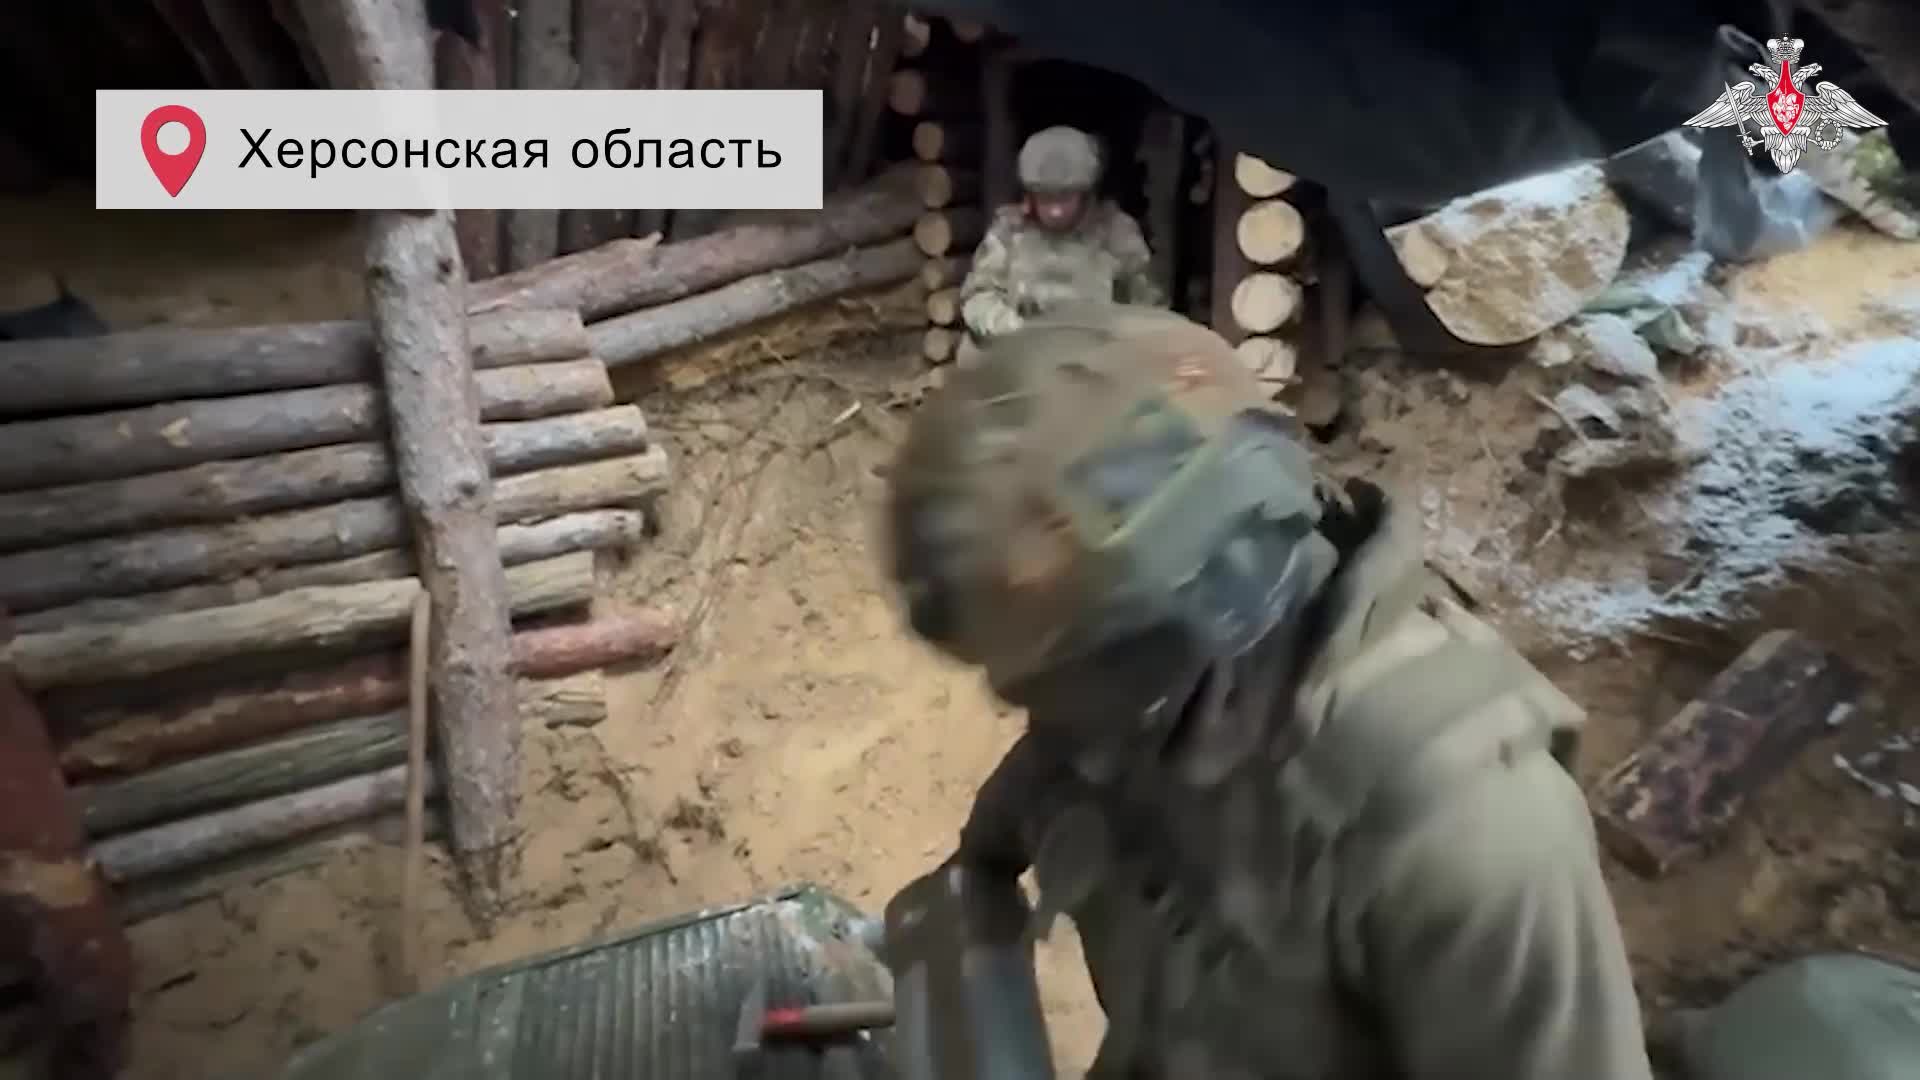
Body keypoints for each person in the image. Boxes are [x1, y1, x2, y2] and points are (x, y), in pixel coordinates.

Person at [881, 301, 1655, 1078]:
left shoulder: (1463, 830)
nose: (1031, 711)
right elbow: (1003, 833)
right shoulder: (1130, 707)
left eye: (1060, 680)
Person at [956, 126, 1165, 361]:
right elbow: (978, 295)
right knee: (970, 355)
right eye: (1046, 199)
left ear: (1085, 195)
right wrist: (1009, 327)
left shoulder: (1117, 234)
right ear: (1030, 196)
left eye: (1065, 198)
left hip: (1096, 359)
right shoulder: (1009, 231)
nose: (1055, 211)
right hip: (1022, 355)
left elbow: (1149, 311)